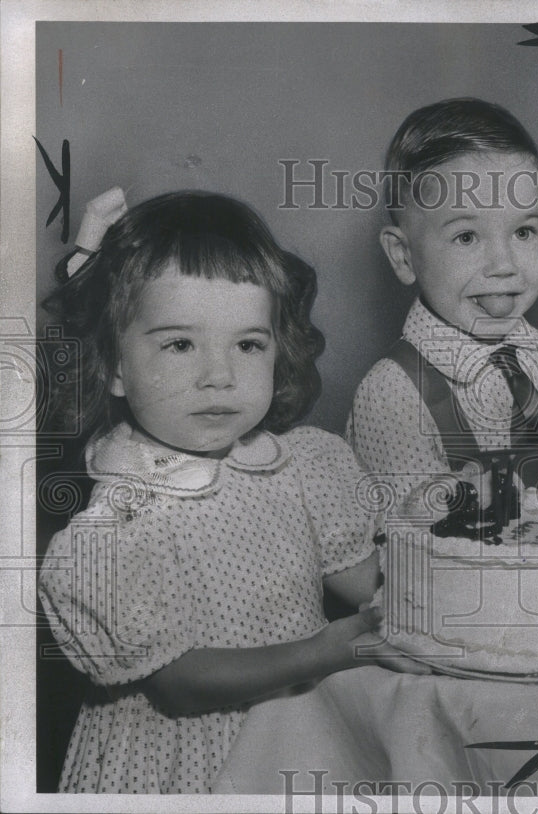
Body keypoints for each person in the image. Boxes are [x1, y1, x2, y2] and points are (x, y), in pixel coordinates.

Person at [37, 189, 422, 794]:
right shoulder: (118, 524)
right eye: (180, 344)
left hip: (302, 734)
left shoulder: (300, 466)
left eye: (248, 344)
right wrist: (330, 649)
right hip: (186, 764)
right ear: (114, 366)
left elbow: (364, 582)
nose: (219, 375)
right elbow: (181, 681)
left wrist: (447, 561)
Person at [347, 98, 538, 509]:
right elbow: (415, 547)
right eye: (466, 237)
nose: (504, 265)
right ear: (403, 256)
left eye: (523, 232)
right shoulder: (394, 394)